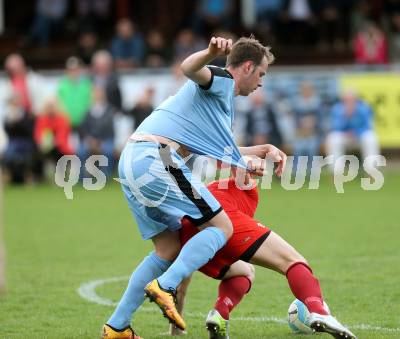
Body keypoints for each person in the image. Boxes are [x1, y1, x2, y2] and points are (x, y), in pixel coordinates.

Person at [101, 36, 287, 338]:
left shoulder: (214, 104)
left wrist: (262, 149)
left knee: (168, 247)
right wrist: (211, 53)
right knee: (222, 226)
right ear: (248, 66)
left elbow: (215, 151)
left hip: (134, 158)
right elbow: (188, 67)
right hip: (157, 157)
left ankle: (117, 327)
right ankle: (166, 285)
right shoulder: (224, 80)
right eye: (262, 74)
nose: (262, 82)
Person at [177, 176, 357, 339]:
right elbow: (239, 160)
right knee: (291, 260)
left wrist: (175, 325)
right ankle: (319, 311)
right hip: (224, 221)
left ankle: (219, 314)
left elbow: (182, 273)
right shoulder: (240, 186)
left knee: (245, 271)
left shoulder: (204, 190)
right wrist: (258, 154)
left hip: (189, 234)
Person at [326, 89, 380, 175]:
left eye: (352, 99)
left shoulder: (364, 109)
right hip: (344, 136)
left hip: (359, 136)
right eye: (347, 100)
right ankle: (336, 172)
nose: (349, 102)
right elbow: (335, 127)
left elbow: (368, 126)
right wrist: (346, 117)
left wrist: (356, 132)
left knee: (371, 138)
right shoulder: (337, 109)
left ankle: (372, 171)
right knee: (333, 139)